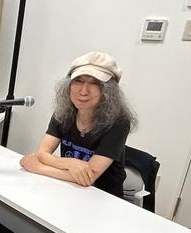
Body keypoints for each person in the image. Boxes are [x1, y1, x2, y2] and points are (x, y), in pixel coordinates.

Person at [19, 51, 138, 198]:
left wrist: (38, 168)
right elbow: (42, 154)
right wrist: (70, 163)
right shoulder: (64, 112)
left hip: (103, 197)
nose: (83, 91)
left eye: (95, 83)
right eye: (78, 81)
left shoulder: (119, 122)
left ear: (109, 91)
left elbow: (89, 178)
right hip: (68, 189)